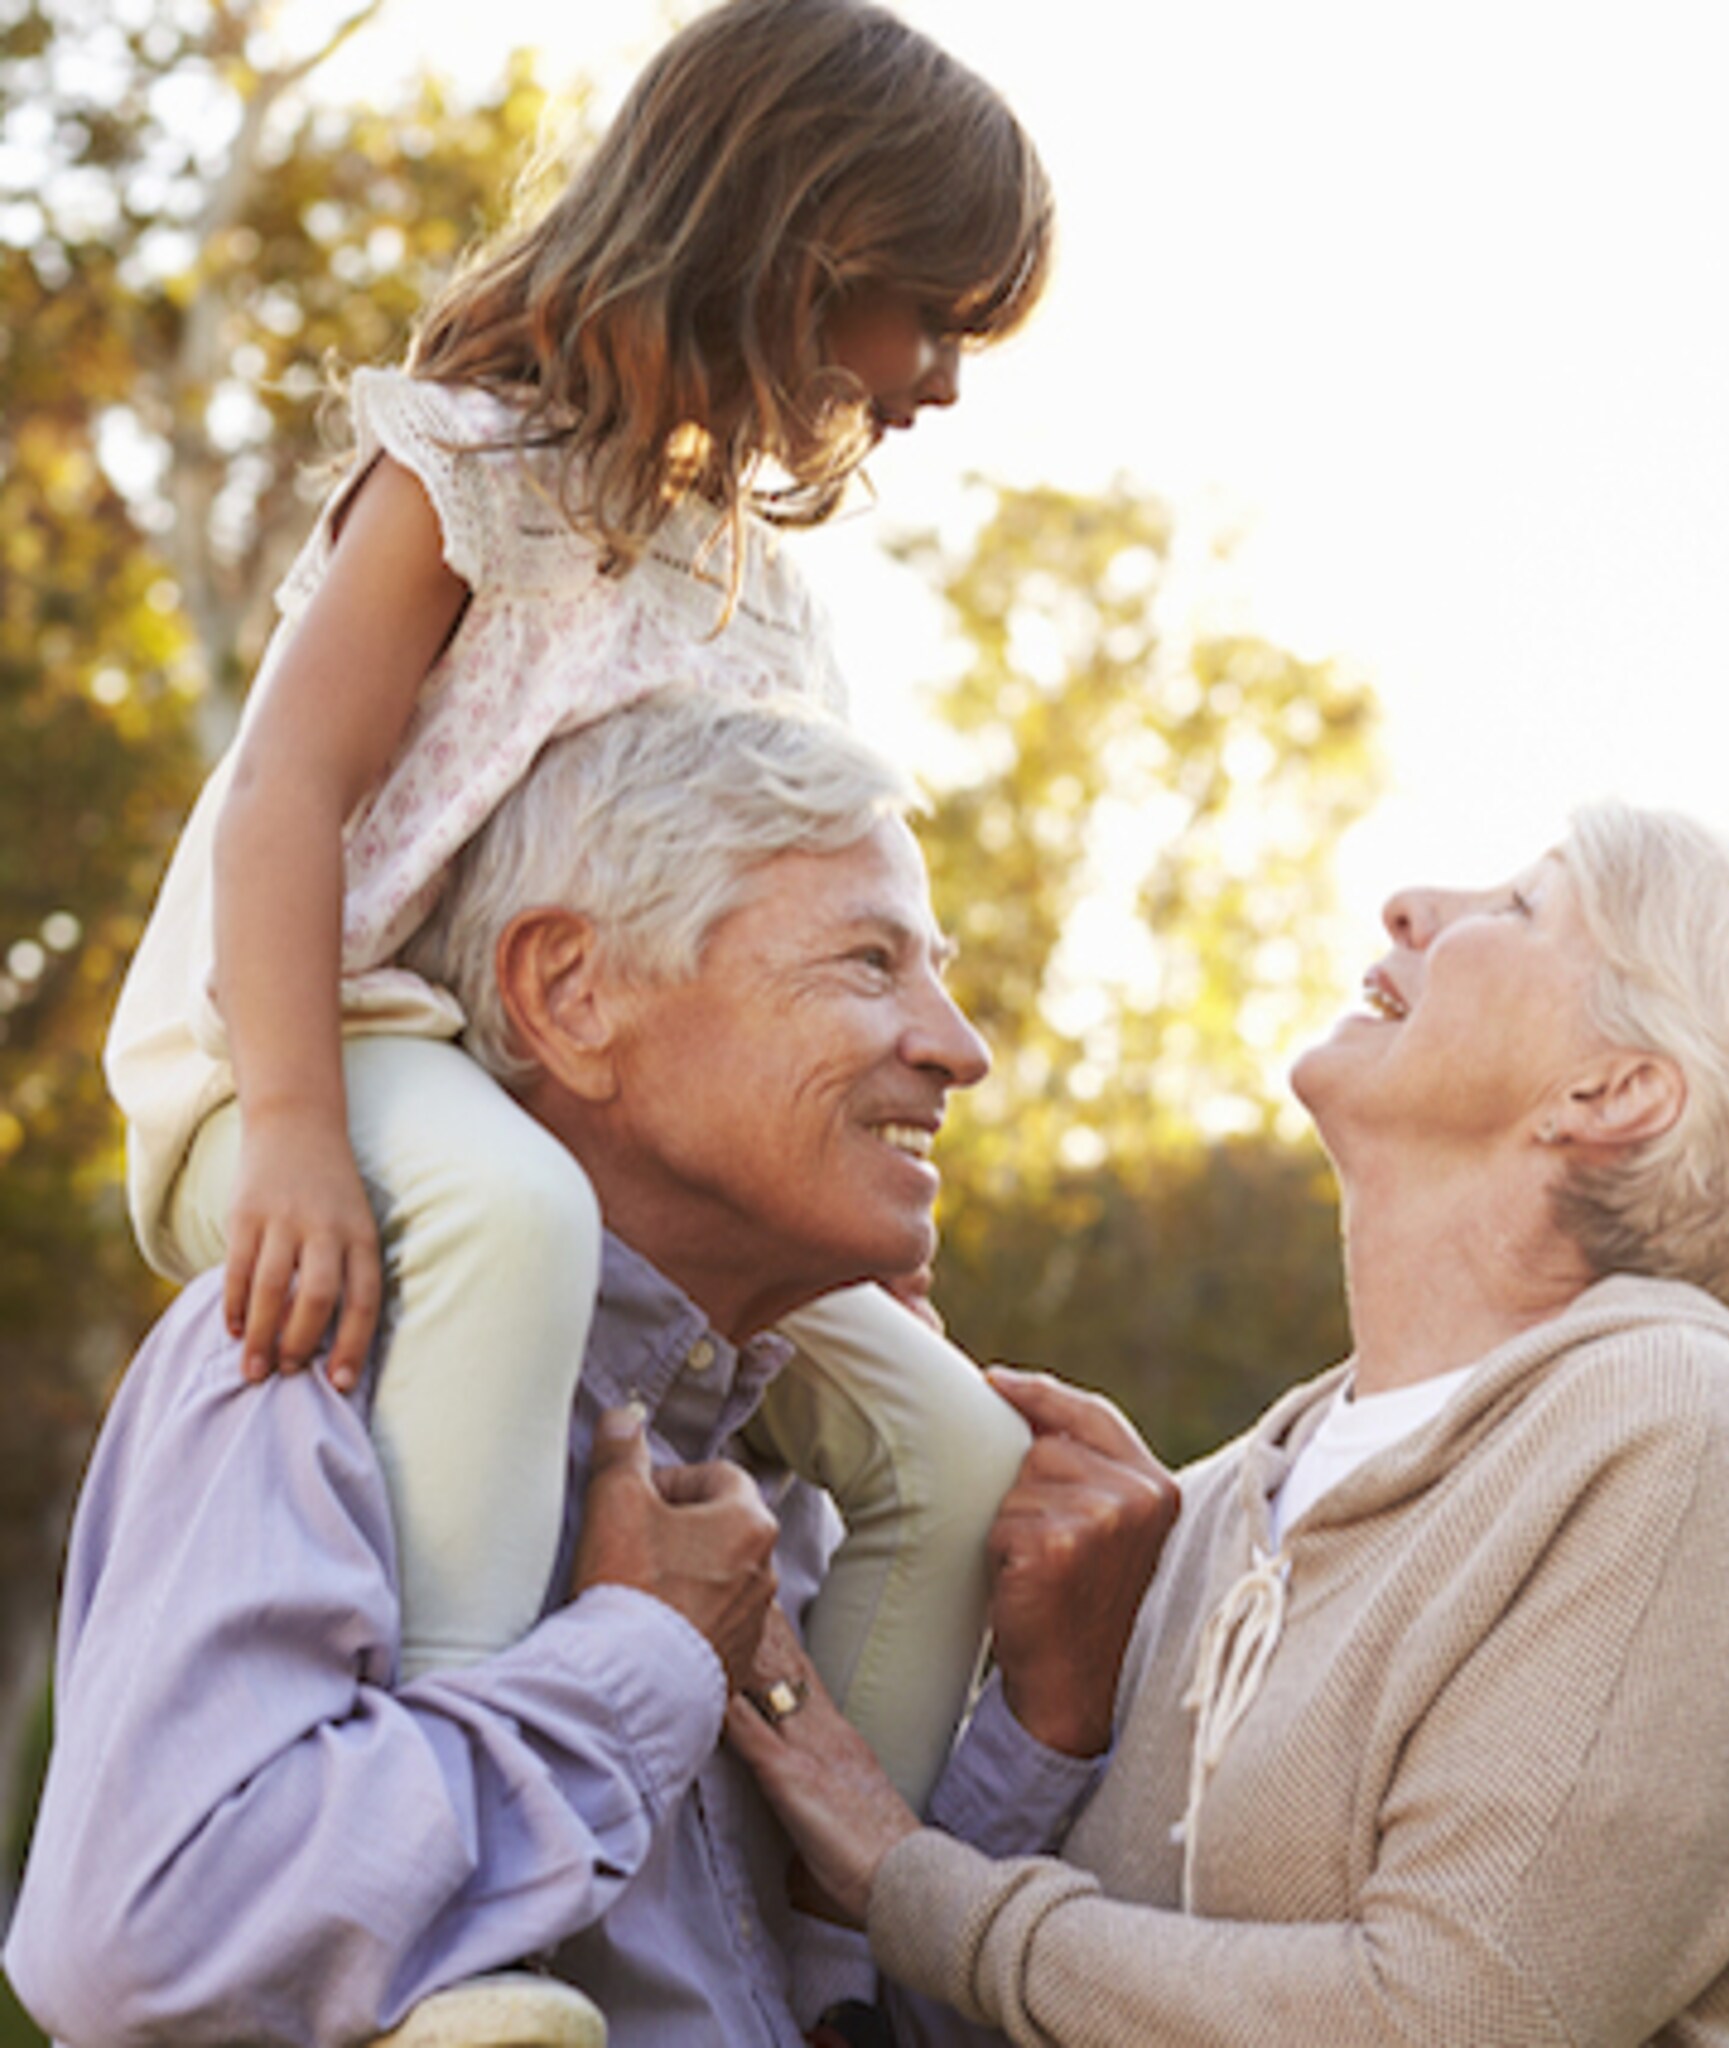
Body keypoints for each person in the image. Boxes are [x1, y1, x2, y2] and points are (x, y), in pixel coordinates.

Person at [103, 0, 1052, 1809]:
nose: (937, 378)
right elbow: (285, 796)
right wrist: (294, 1127)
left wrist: (844, 1178)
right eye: (927, 312)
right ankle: (448, 1864)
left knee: (951, 1436)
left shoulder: (752, 583)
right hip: (324, 1024)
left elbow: (771, 906)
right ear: (793, 244)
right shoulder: (469, 464)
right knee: (511, 1218)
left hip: (556, 1074)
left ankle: (838, 1923)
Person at [7, 690, 1178, 2048]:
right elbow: (150, 1942)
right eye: (870, 964)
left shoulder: (788, 1484)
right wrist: (642, 1657)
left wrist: (1048, 1720)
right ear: (572, 994)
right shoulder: (302, 1365)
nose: (958, 1047)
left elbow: (837, 2024)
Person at [728, 802, 1729, 2047]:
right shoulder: (1218, 1502)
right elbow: (1001, 2010)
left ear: (1612, 1089)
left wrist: (897, 1870)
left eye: (1522, 906)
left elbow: (1437, 2016)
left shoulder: (1682, 1430)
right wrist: (1047, 1691)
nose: (1412, 903)